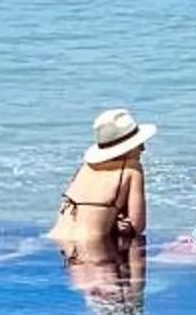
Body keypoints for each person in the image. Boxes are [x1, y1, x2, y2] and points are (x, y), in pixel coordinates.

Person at [51, 107, 152, 256]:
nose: (143, 148)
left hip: (56, 243)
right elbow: (138, 227)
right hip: (91, 249)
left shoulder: (84, 168)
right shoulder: (131, 169)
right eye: (138, 144)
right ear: (126, 148)